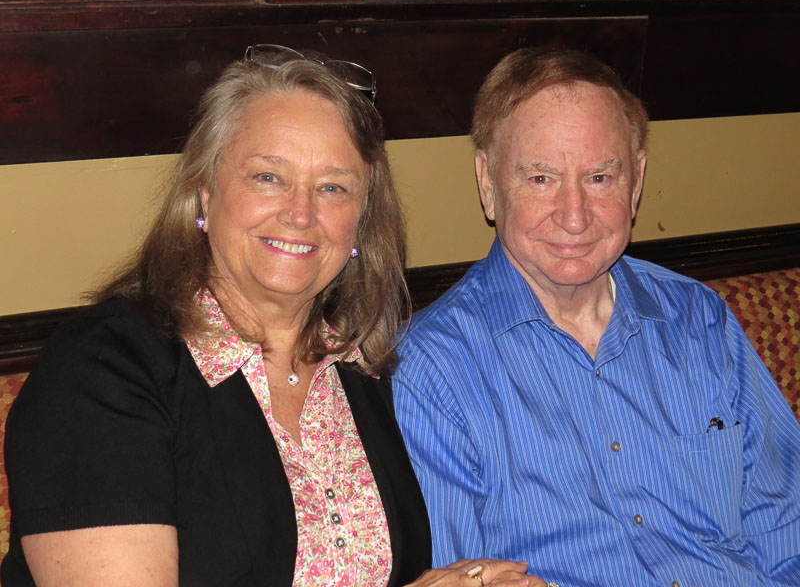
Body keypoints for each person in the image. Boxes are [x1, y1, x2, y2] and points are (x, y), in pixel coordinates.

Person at [2, 44, 541, 587]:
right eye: (267, 177)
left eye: (333, 187)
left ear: (361, 220)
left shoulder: (363, 372)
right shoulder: (100, 370)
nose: (300, 213)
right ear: (205, 192)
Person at [392, 46, 800, 587]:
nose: (574, 214)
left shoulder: (700, 320)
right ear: (488, 184)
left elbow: (786, 526)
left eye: (600, 177)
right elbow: (462, 575)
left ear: (635, 183)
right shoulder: (432, 368)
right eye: (540, 178)